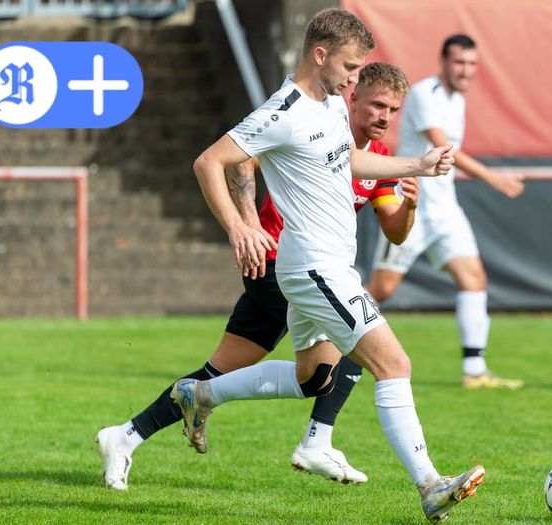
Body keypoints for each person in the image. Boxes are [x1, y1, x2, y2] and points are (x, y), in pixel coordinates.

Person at [173, 9, 483, 522]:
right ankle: (429, 484)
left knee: (314, 379)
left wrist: (417, 165)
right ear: (321, 56)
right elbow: (210, 161)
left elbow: (350, 161)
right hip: (316, 267)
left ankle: (200, 392)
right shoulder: (285, 109)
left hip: (321, 266)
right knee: (393, 364)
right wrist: (239, 225)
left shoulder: (333, 106)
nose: (356, 79)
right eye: (352, 67)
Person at [96, 62, 419, 489]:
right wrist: (248, 223)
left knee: (218, 371)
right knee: (360, 339)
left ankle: (123, 436)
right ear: (353, 96)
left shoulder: (375, 160)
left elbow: (394, 231)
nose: (384, 117)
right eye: (378, 105)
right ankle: (317, 441)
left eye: (394, 110)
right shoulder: (312, 123)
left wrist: (410, 205)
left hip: (302, 269)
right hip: (280, 263)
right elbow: (243, 158)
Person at [367, 34, 525, 389]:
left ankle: (475, 370)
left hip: (446, 209)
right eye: (459, 63)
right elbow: (444, 148)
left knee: (474, 278)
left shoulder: (457, 100)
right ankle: (323, 340)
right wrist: (492, 178)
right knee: (382, 289)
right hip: (412, 201)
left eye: (471, 64)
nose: (466, 70)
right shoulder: (426, 94)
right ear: (444, 62)